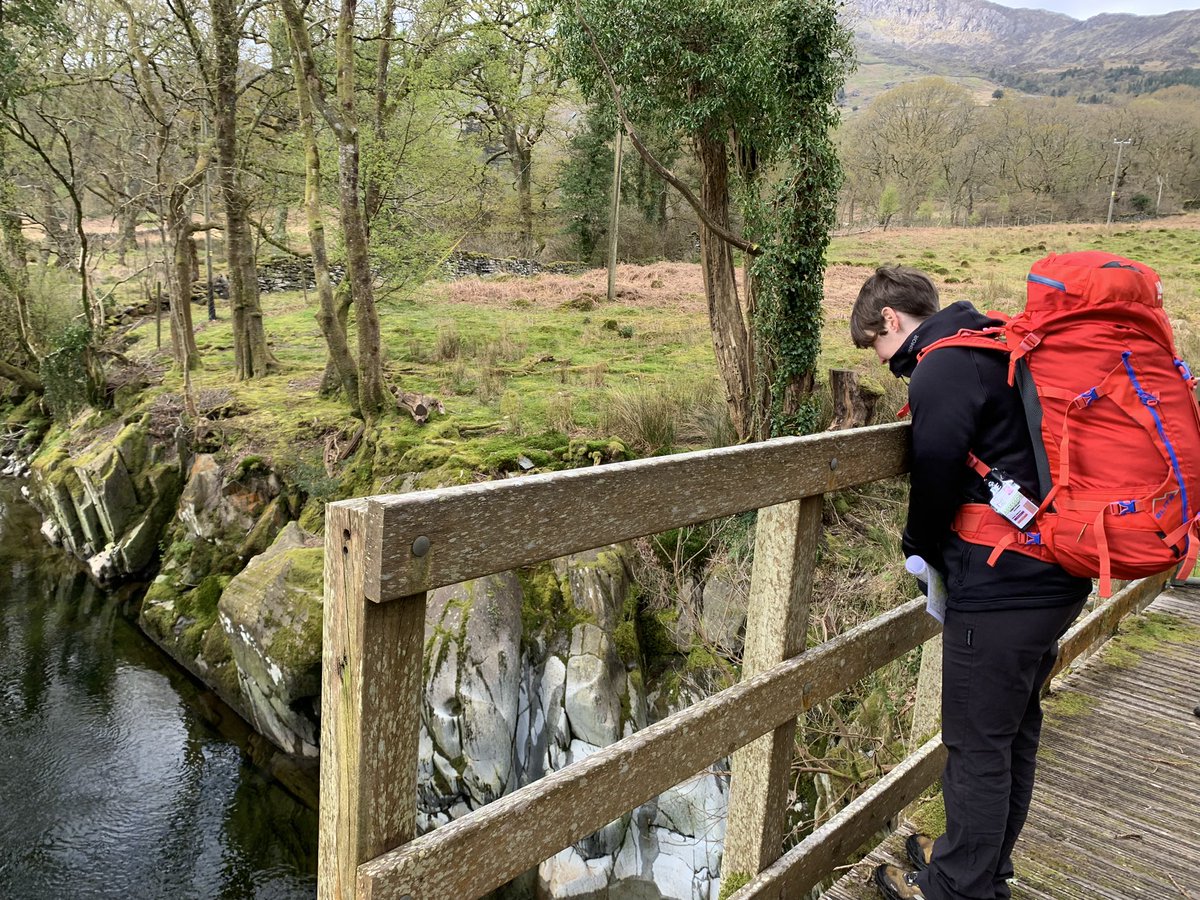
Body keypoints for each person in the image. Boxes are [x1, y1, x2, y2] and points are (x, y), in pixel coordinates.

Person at [849, 266, 1091, 900]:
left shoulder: (942, 366)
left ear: (890, 322)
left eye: (875, 347)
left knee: (976, 744)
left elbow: (933, 471)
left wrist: (918, 550)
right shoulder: (993, 342)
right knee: (1012, 731)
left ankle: (956, 888)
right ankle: (982, 865)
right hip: (1056, 572)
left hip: (1004, 584)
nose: (884, 363)